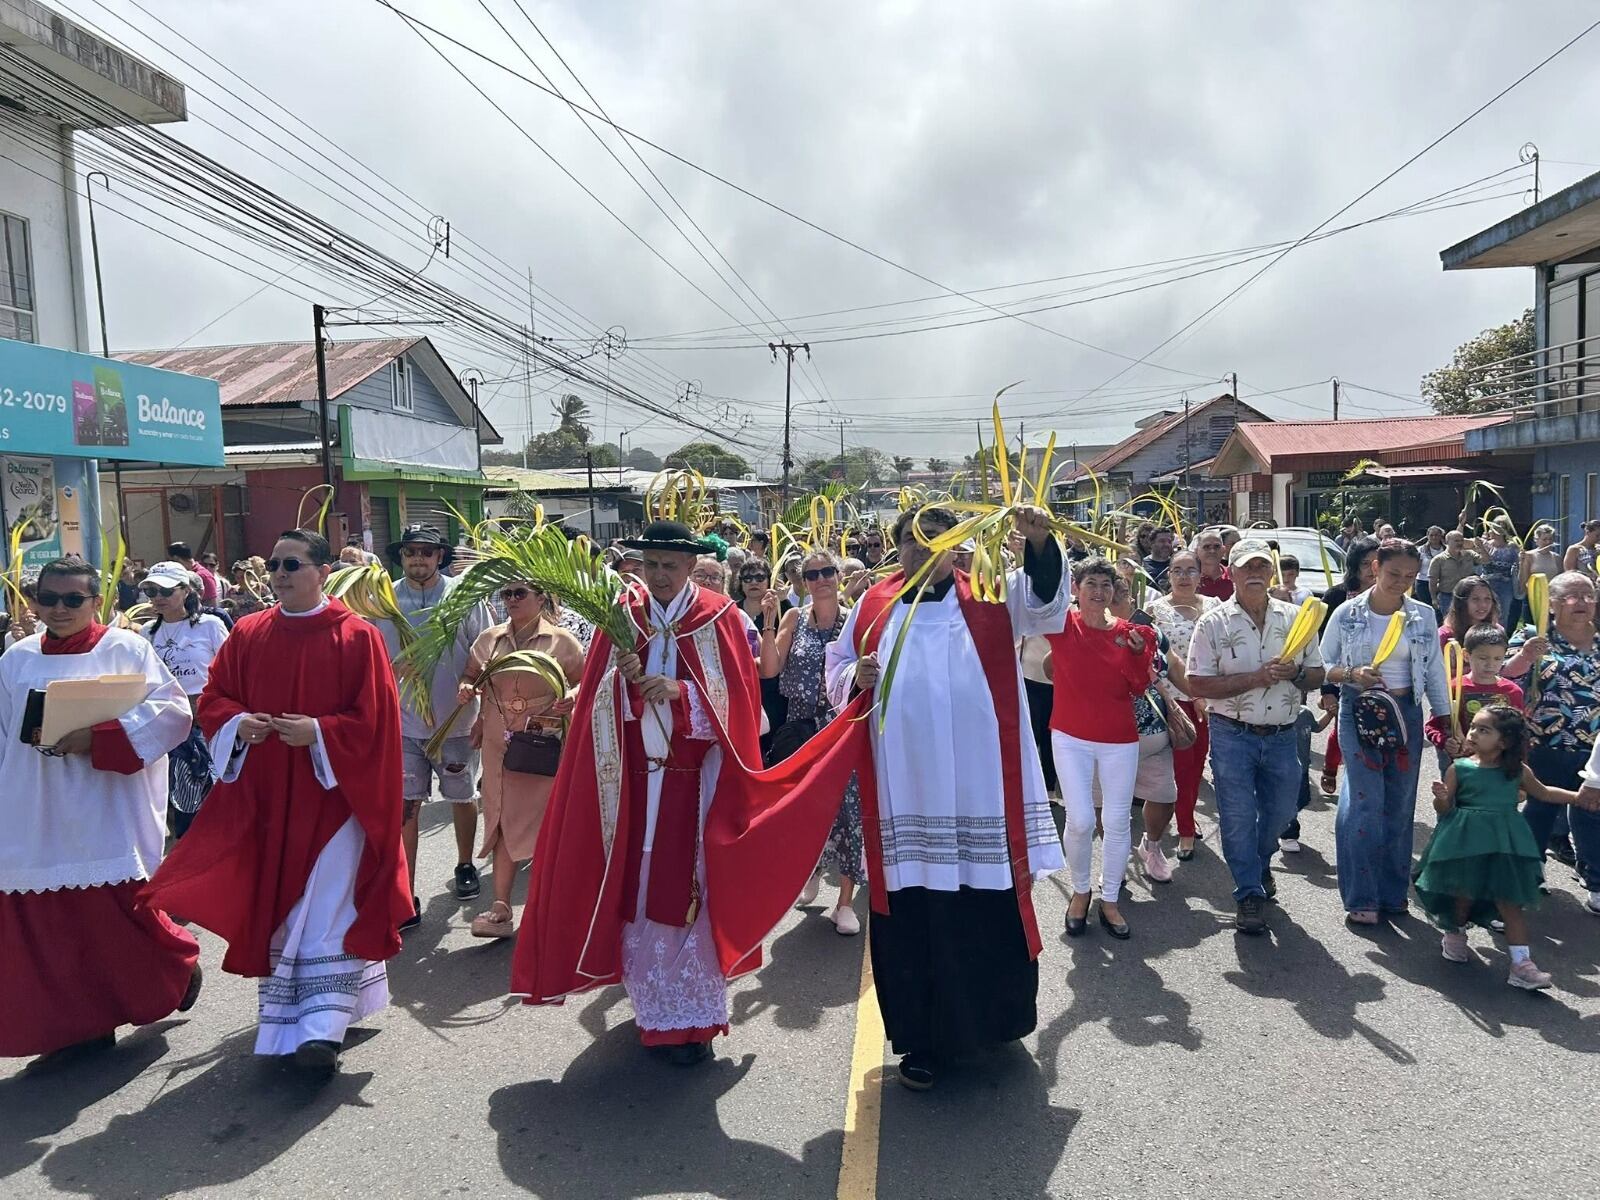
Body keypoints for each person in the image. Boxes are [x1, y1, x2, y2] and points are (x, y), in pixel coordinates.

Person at [141, 529, 410, 1073]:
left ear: (323, 571)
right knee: (286, 909)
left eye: (292, 564)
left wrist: (321, 732)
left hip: (332, 800)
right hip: (267, 797)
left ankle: (321, 1032)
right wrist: (241, 723)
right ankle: (298, 1019)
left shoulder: (358, 637)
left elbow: (377, 722)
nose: (281, 574)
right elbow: (215, 699)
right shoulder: (248, 632)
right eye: (275, 565)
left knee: (327, 905)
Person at [823, 503, 1066, 1089]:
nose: (924, 550)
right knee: (915, 915)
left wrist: (1039, 546)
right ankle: (923, 1041)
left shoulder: (987, 594)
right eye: (912, 540)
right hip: (904, 793)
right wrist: (851, 677)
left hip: (979, 792)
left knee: (983, 906)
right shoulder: (873, 604)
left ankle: (993, 1025)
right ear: (898, 546)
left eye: (938, 540)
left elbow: (1044, 605)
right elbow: (837, 668)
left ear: (958, 548)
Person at [511, 519, 768, 1066]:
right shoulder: (623, 618)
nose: (658, 576)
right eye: (649, 565)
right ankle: (654, 1007)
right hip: (631, 783)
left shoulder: (717, 617)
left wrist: (680, 694)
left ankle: (692, 1019)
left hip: (694, 785)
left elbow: (741, 707)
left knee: (688, 894)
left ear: (691, 567)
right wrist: (624, 686)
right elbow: (595, 707)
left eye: (669, 567)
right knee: (642, 887)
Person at [0, 558, 199, 1063]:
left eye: (73, 600)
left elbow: (173, 713)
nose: (59, 609)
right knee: (49, 928)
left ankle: (175, 968)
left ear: (96, 603)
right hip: (35, 805)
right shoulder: (16, 658)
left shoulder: (124, 648)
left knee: (117, 919)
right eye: (49, 599)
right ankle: (79, 1025)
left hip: (104, 806)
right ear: (34, 602)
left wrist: (99, 738)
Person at [1186, 538, 1325, 934]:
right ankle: (1248, 892)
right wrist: (1256, 679)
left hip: (1283, 733)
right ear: (1231, 572)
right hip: (1233, 734)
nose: (1255, 574)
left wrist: (1296, 675)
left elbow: (1317, 672)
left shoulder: (1297, 618)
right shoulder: (1212, 622)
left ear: (1271, 572)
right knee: (1238, 816)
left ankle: (1260, 862)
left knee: (1282, 811)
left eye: (1262, 567)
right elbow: (1198, 683)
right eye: (1247, 567)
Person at [1320, 539, 1450, 926]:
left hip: (1405, 712)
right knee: (1365, 803)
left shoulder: (1423, 615)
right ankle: (1362, 896)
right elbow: (1322, 662)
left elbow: (1434, 672)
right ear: (1375, 567)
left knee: (1399, 804)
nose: (1402, 582)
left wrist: (1444, 718)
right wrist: (1349, 674)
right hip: (1357, 710)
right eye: (1394, 574)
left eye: (1410, 576)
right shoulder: (1346, 612)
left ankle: (1393, 894)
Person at [1417, 705, 1593, 988]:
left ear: (1505, 742)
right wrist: (1440, 796)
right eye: (1473, 726)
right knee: (1463, 895)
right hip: (1466, 844)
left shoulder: (1517, 771)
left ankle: (1522, 964)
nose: (1473, 733)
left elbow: (1544, 792)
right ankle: (1455, 933)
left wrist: (1578, 797)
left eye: (1483, 730)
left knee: (1510, 905)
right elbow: (1445, 807)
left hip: (1505, 845)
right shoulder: (1459, 768)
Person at [377, 525, 493, 925]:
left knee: (461, 797)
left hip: (457, 723)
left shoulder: (462, 598)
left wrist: (476, 695)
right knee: (407, 808)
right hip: (403, 726)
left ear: (440, 557)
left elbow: (486, 652)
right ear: (402, 555)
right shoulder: (384, 599)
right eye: (411, 551)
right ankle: (405, 892)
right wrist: (392, 668)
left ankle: (464, 864)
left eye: (427, 552)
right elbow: (369, 655)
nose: (419, 559)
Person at [459, 583, 585, 939]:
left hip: (541, 742)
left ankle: (552, 906)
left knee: (545, 823)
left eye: (520, 593)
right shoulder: (490, 639)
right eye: (507, 594)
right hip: (499, 741)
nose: (512, 600)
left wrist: (571, 698)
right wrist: (467, 688)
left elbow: (584, 680)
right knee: (500, 819)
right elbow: (470, 673)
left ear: (541, 598)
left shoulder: (562, 641)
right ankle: (501, 905)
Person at [1047, 557, 1155, 939]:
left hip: (1118, 740)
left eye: (1105, 585)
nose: (1098, 592)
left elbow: (1140, 686)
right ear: (1076, 588)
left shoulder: (1133, 632)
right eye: (1090, 583)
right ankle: (1080, 890)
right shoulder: (1060, 625)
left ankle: (1109, 898)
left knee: (1116, 820)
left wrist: (1139, 652)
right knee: (1080, 820)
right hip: (1070, 736)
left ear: (1114, 591)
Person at [761, 548, 864, 935]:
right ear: (802, 583)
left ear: (838, 576)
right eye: (811, 574)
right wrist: (769, 624)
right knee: (804, 808)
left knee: (849, 809)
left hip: (842, 727)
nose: (820, 580)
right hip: (801, 728)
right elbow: (770, 669)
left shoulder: (854, 619)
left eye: (826, 572)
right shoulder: (793, 617)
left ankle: (845, 902)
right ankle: (811, 867)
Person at [1504, 571, 1600, 910]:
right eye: (1573, 596)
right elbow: (1503, 675)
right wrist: (1527, 657)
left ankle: (1597, 883)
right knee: (1541, 808)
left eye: (1589, 595)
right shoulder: (1535, 635)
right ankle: (1532, 871)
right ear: (1553, 603)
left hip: (1595, 751)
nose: (1583, 603)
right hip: (1544, 744)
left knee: (1592, 812)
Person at [140, 560, 230, 837]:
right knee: (176, 795)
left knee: (213, 791)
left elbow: (231, 668)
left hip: (205, 721)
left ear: (187, 591)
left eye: (166, 591)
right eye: (152, 591)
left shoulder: (210, 625)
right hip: (166, 722)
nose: (158, 598)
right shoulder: (146, 633)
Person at [1149, 550, 1220, 861]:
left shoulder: (1215, 608)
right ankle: (1186, 831)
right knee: (1179, 768)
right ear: (1169, 575)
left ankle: (1186, 816)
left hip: (1206, 701)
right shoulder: (1155, 610)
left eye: (1191, 570)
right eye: (1177, 570)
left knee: (1196, 766)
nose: (1184, 576)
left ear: (1200, 574)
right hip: (1170, 702)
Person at [1317, 537, 1381, 796]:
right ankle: (1332, 768)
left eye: (1377, 563)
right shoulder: (1337, 597)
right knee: (1343, 732)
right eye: (1365, 563)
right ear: (1354, 566)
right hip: (1343, 680)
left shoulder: (1397, 599)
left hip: (1382, 683)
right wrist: (1327, 690)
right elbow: (1322, 650)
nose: (1371, 569)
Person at [1425, 624, 1524, 774]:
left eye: (1498, 658)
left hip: (1500, 770)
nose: (1490, 664)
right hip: (1462, 770)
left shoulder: (1512, 692)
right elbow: (1433, 726)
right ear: (1466, 655)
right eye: (1483, 658)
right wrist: (1445, 742)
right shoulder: (1453, 688)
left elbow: (1520, 735)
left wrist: (1520, 775)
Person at [737, 557, 789, 755]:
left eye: (759, 577)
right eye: (747, 578)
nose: (753, 582)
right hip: (742, 688)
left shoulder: (783, 608)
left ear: (769, 580)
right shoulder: (730, 609)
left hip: (771, 689)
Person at [1462, 515, 1520, 632]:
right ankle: (1482, 635)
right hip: (1487, 584)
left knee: (1502, 614)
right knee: (1483, 611)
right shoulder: (1485, 543)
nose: (1490, 530)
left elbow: (1520, 564)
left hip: (1505, 585)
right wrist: (1461, 524)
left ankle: (1500, 638)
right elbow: (1460, 542)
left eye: (1495, 528)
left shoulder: (1513, 547)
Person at [1438, 575, 1502, 650]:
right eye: (1475, 599)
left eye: (1487, 598)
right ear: (1462, 603)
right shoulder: (1444, 636)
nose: (1483, 605)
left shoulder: (1497, 630)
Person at [1428, 531, 1480, 621]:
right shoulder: (1438, 560)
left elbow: (1486, 560)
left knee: (1469, 621)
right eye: (1456, 541)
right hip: (1447, 597)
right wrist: (1434, 599)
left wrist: (1480, 546)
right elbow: (1433, 581)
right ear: (1447, 542)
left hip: (1468, 596)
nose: (1459, 543)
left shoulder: (1469, 554)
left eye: (1461, 540)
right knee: (1450, 622)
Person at [167, 541, 218, 605]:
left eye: (169, 560)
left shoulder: (203, 576)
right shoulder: (181, 574)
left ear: (176, 558)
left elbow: (212, 605)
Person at [1193, 528, 1234, 600]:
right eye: (1206, 547)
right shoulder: (1190, 580)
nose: (1212, 551)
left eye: (1217, 546)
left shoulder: (1234, 577)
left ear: (1223, 550)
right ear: (1196, 551)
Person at [1416, 525, 1447, 608]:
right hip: (1423, 582)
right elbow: (1417, 568)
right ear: (1427, 536)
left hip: (1442, 583)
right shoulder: (1421, 550)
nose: (1434, 537)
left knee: (1440, 608)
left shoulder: (1446, 550)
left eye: (1436, 535)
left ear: (1441, 536)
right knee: (1427, 607)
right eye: (1431, 535)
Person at [1141, 526, 1175, 592]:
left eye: (1169, 541)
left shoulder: (1176, 564)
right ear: (1151, 543)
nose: (1167, 544)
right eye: (1162, 541)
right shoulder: (1142, 565)